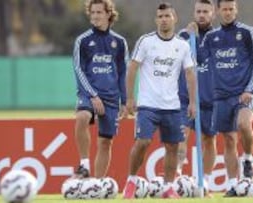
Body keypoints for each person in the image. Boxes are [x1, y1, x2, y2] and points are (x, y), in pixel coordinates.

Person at [123, 2, 196, 199]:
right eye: (160, 16)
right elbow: (132, 68)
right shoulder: (145, 41)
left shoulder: (182, 46)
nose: (164, 20)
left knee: (173, 147)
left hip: (172, 106)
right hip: (148, 105)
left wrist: (193, 102)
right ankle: (131, 181)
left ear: (175, 19)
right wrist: (129, 98)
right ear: (156, 19)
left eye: (167, 16)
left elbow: (190, 74)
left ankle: (168, 187)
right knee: (143, 142)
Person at [200, 0, 253, 197]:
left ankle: (248, 159)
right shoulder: (211, 37)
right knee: (228, 140)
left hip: (243, 93)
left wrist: (251, 89)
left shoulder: (248, 33)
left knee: (244, 125)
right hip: (221, 96)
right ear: (218, 11)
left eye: (231, 9)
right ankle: (232, 184)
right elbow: (198, 60)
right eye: (224, 9)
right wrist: (189, 38)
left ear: (236, 10)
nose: (228, 13)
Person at [72, 0, 128, 178]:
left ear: (108, 14)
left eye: (99, 12)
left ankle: (97, 183)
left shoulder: (119, 42)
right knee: (82, 117)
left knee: (105, 142)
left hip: (111, 96)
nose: (95, 16)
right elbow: (78, 69)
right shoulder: (83, 40)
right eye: (92, 12)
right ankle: (84, 164)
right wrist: (93, 95)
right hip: (89, 92)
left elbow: (122, 73)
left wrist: (125, 101)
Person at [176, 0, 216, 194]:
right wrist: (190, 37)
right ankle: (177, 176)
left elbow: (204, 59)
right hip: (185, 98)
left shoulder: (218, 37)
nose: (201, 15)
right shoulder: (183, 36)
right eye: (198, 11)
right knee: (181, 136)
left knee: (209, 140)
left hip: (210, 99)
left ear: (212, 14)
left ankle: (206, 181)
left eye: (205, 12)